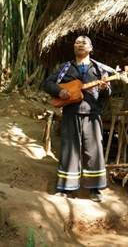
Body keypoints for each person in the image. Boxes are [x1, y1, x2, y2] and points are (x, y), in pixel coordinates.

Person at [43, 35, 112, 202]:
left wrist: (104, 88)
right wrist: (59, 92)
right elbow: (47, 83)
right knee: (69, 149)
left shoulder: (99, 69)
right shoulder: (65, 67)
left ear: (91, 48)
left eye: (84, 42)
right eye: (77, 43)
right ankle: (65, 187)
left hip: (92, 114)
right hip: (70, 113)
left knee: (93, 150)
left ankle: (95, 189)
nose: (80, 45)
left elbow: (108, 93)